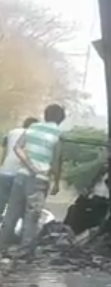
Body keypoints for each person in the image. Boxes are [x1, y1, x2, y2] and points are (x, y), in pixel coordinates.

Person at [11, 104, 65, 255]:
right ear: (61, 119)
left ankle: (3, 246)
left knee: (12, 214)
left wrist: (28, 166)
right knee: (32, 217)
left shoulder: (33, 127)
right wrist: (56, 181)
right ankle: (24, 252)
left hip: (21, 175)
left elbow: (17, 147)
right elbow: (56, 160)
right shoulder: (58, 133)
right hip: (39, 179)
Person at [0, 117, 39, 222]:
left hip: (4, 171)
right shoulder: (33, 135)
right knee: (17, 204)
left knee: (1, 200)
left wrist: (2, 166)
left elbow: (5, 152)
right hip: (20, 173)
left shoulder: (11, 132)